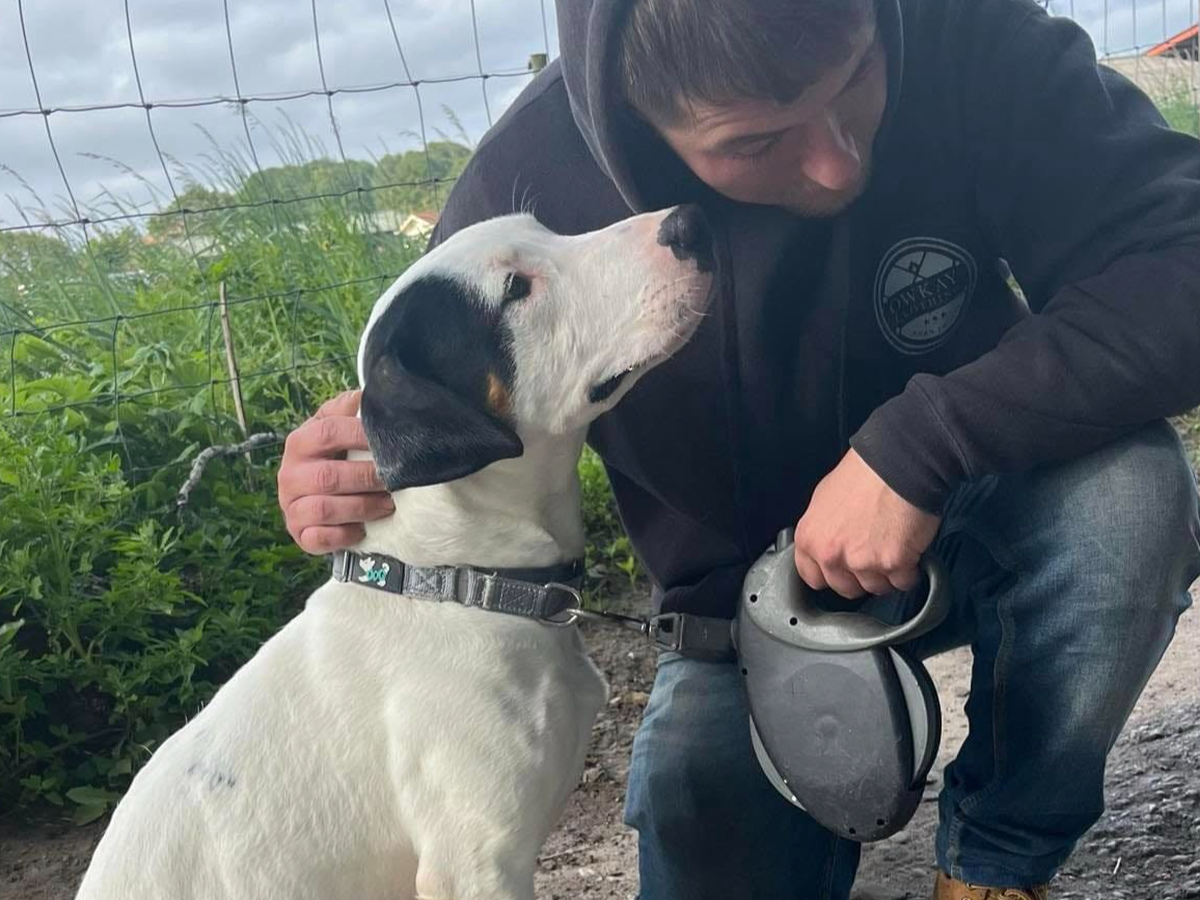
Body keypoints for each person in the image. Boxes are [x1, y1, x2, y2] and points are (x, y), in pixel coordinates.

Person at [276, 0, 1200, 896]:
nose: (837, 166)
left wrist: (925, 443)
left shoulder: (970, 32)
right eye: (756, 143)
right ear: (636, 115)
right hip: (734, 607)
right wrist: (343, 471)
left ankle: (995, 865)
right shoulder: (525, 188)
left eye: (859, 74)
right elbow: (428, 410)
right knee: (703, 820)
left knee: (1128, 497)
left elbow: (1181, 258)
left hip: (981, 504)